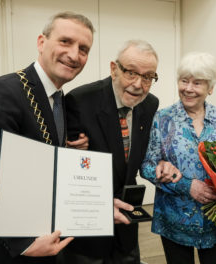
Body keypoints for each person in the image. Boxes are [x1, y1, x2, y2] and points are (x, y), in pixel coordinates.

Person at [0, 11, 93, 264]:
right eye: (65, 41)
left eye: (84, 49)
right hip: (6, 247)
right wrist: (23, 242)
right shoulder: (1, 92)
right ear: (41, 42)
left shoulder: (60, 100)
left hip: (44, 237)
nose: (75, 55)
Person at [60, 39, 180, 264]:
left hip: (126, 220)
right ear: (114, 69)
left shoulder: (150, 104)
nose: (138, 84)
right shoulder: (80, 100)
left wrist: (162, 163)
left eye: (147, 77)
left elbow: (145, 153)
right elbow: (66, 165)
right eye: (131, 73)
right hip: (87, 225)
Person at [140, 52, 216, 264]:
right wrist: (187, 186)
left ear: (210, 88)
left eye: (197, 83)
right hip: (175, 218)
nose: (188, 88)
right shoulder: (162, 119)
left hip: (215, 219)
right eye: (184, 81)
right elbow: (147, 166)